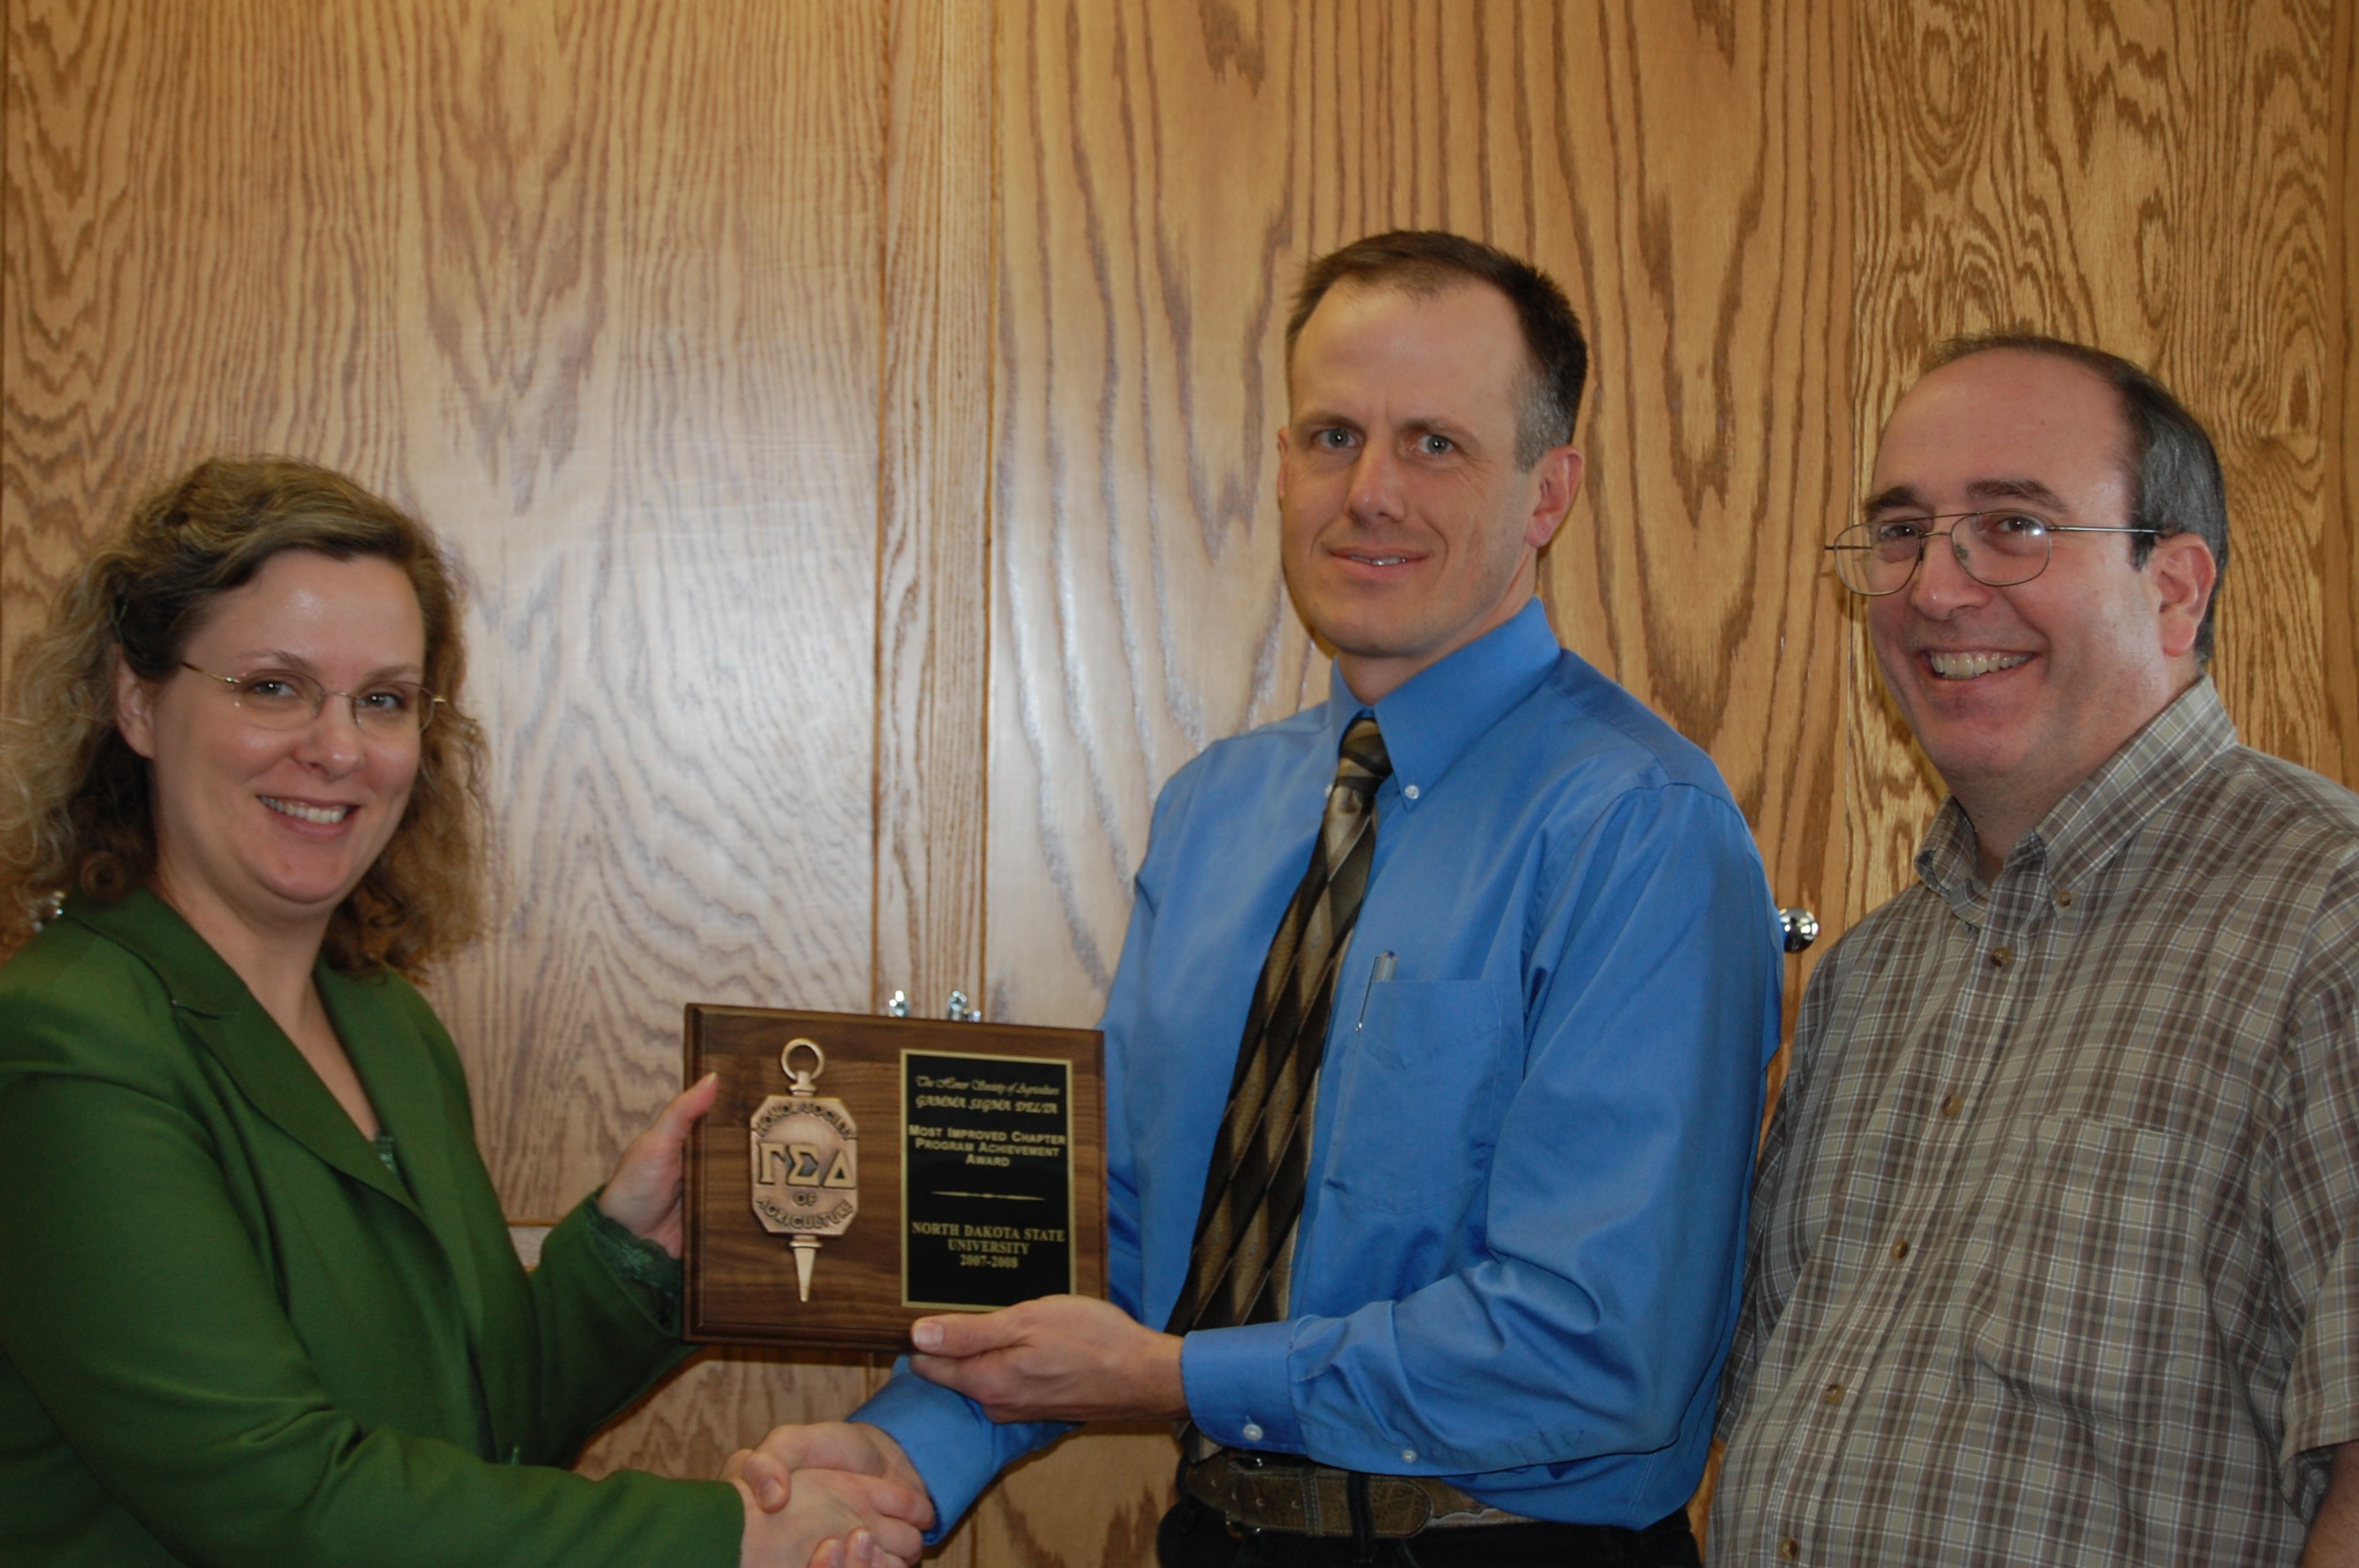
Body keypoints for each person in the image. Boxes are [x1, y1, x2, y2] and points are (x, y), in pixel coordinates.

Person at [741, 232, 1781, 1566]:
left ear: (1548, 489)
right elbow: (1110, 1231)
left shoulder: (1642, 830)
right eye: (1332, 436)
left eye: (1436, 445)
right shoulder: (1218, 811)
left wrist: (1182, 1381)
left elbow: (1597, 1342)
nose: (1372, 493)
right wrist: (906, 1451)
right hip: (1219, 1536)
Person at [0, 457, 926, 1566]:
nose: (338, 749)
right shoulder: (64, 1046)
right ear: (138, 702)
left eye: (382, 699)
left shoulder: (384, 1024)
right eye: (273, 686)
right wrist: (719, 1536)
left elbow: (478, 1430)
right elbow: (278, 1497)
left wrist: (636, 1260)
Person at [1709, 337, 2359, 1565]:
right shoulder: (1869, 977)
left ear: (2175, 587)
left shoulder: (2328, 920)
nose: (1936, 590)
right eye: (1902, 531)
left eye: (2014, 526)